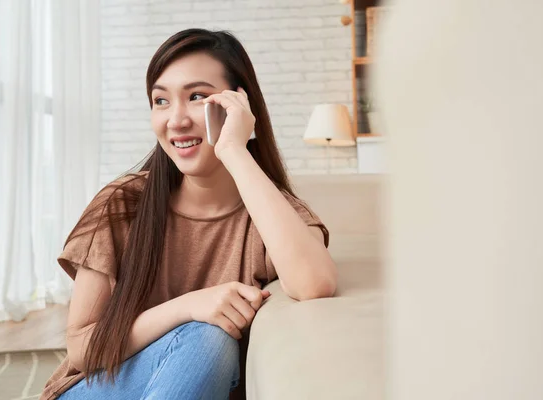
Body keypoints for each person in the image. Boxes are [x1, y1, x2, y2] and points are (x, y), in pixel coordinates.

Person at [40, 28, 337, 400]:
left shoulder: (272, 213)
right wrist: (188, 307)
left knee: (209, 338)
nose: (175, 120)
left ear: (239, 106)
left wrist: (234, 149)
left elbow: (315, 285)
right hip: (100, 386)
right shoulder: (122, 203)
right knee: (206, 333)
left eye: (197, 97)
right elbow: (82, 349)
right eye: (160, 101)